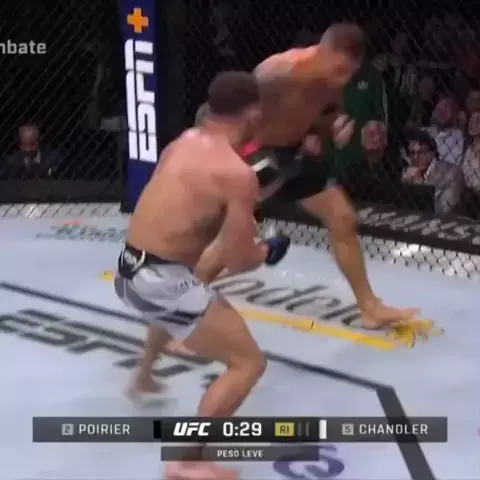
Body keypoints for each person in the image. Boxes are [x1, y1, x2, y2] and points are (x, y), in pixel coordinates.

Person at [114, 71, 291, 480]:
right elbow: (241, 260)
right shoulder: (236, 174)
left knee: (181, 299)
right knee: (247, 364)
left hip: (129, 268)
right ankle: (186, 461)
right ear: (252, 112)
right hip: (160, 281)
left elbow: (182, 216)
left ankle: (143, 377)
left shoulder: (182, 142)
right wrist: (268, 249)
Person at [195, 23, 419, 327]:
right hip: (254, 155)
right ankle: (184, 300)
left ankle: (370, 308)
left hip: (292, 156)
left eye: (349, 73)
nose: (343, 78)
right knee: (234, 236)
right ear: (322, 51)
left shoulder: (333, 79)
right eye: (340, 69)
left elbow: (327, 115)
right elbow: (220, 113)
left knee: (342, 218)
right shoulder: (279, 71)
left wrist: (330, 129)